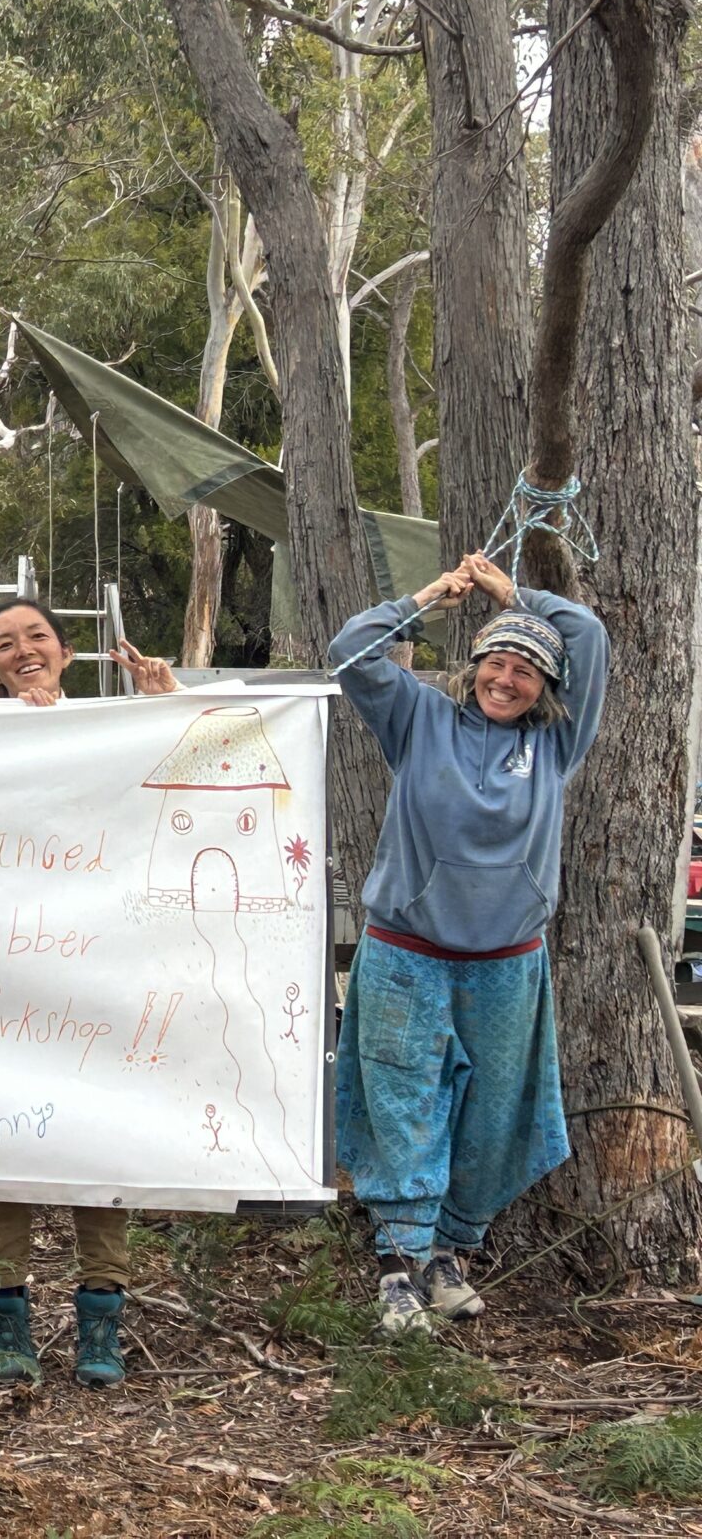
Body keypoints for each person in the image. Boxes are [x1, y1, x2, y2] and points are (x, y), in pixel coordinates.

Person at [0, 597, 181, 1390]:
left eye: (38, 637)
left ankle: (101, 1317)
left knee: (99, 1136)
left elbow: (173, 782)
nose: (24, 651)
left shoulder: (109, 728)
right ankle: (8, 1320)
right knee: (3, 1140)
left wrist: (166, 704)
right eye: (4, 644)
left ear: (66, 650)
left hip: (97, 968)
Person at [328, 551, 607, 1336]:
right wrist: (426, 599)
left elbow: (587, 635)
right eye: (497, 662)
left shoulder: (556, 744)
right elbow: (350, 652)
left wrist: (513, 595)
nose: (506, 680)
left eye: (526, 670)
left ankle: (448, 1255)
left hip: (506, 966)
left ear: (546, 687)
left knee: (492, 1118)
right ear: (475, 664)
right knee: (401, 1103)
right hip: (407, 953)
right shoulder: (418, 718)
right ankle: (397, 1268)